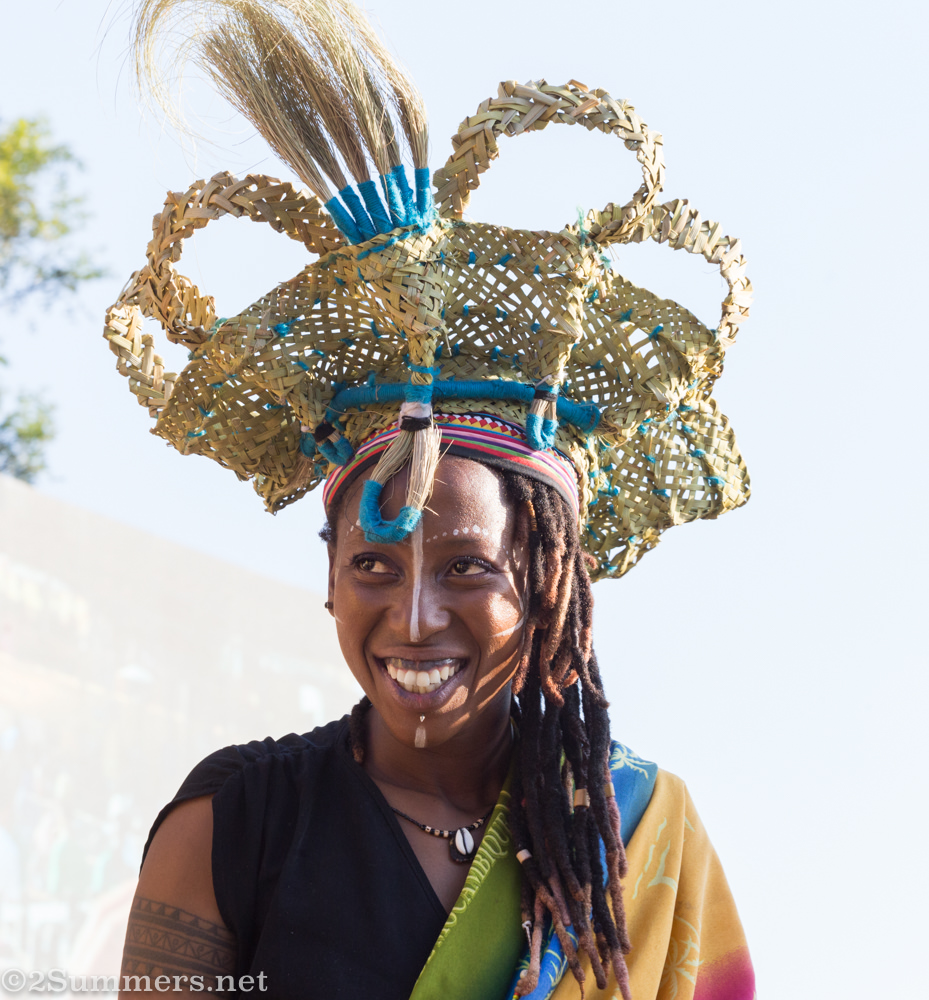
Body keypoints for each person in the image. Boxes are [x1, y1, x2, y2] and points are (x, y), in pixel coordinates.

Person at [107, 3, 756, 997]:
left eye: (466, 567)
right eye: (373, 563)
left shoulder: (641, 836)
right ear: (328, 579)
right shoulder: (231, 827)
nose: (412, 618)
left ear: (549, 584)